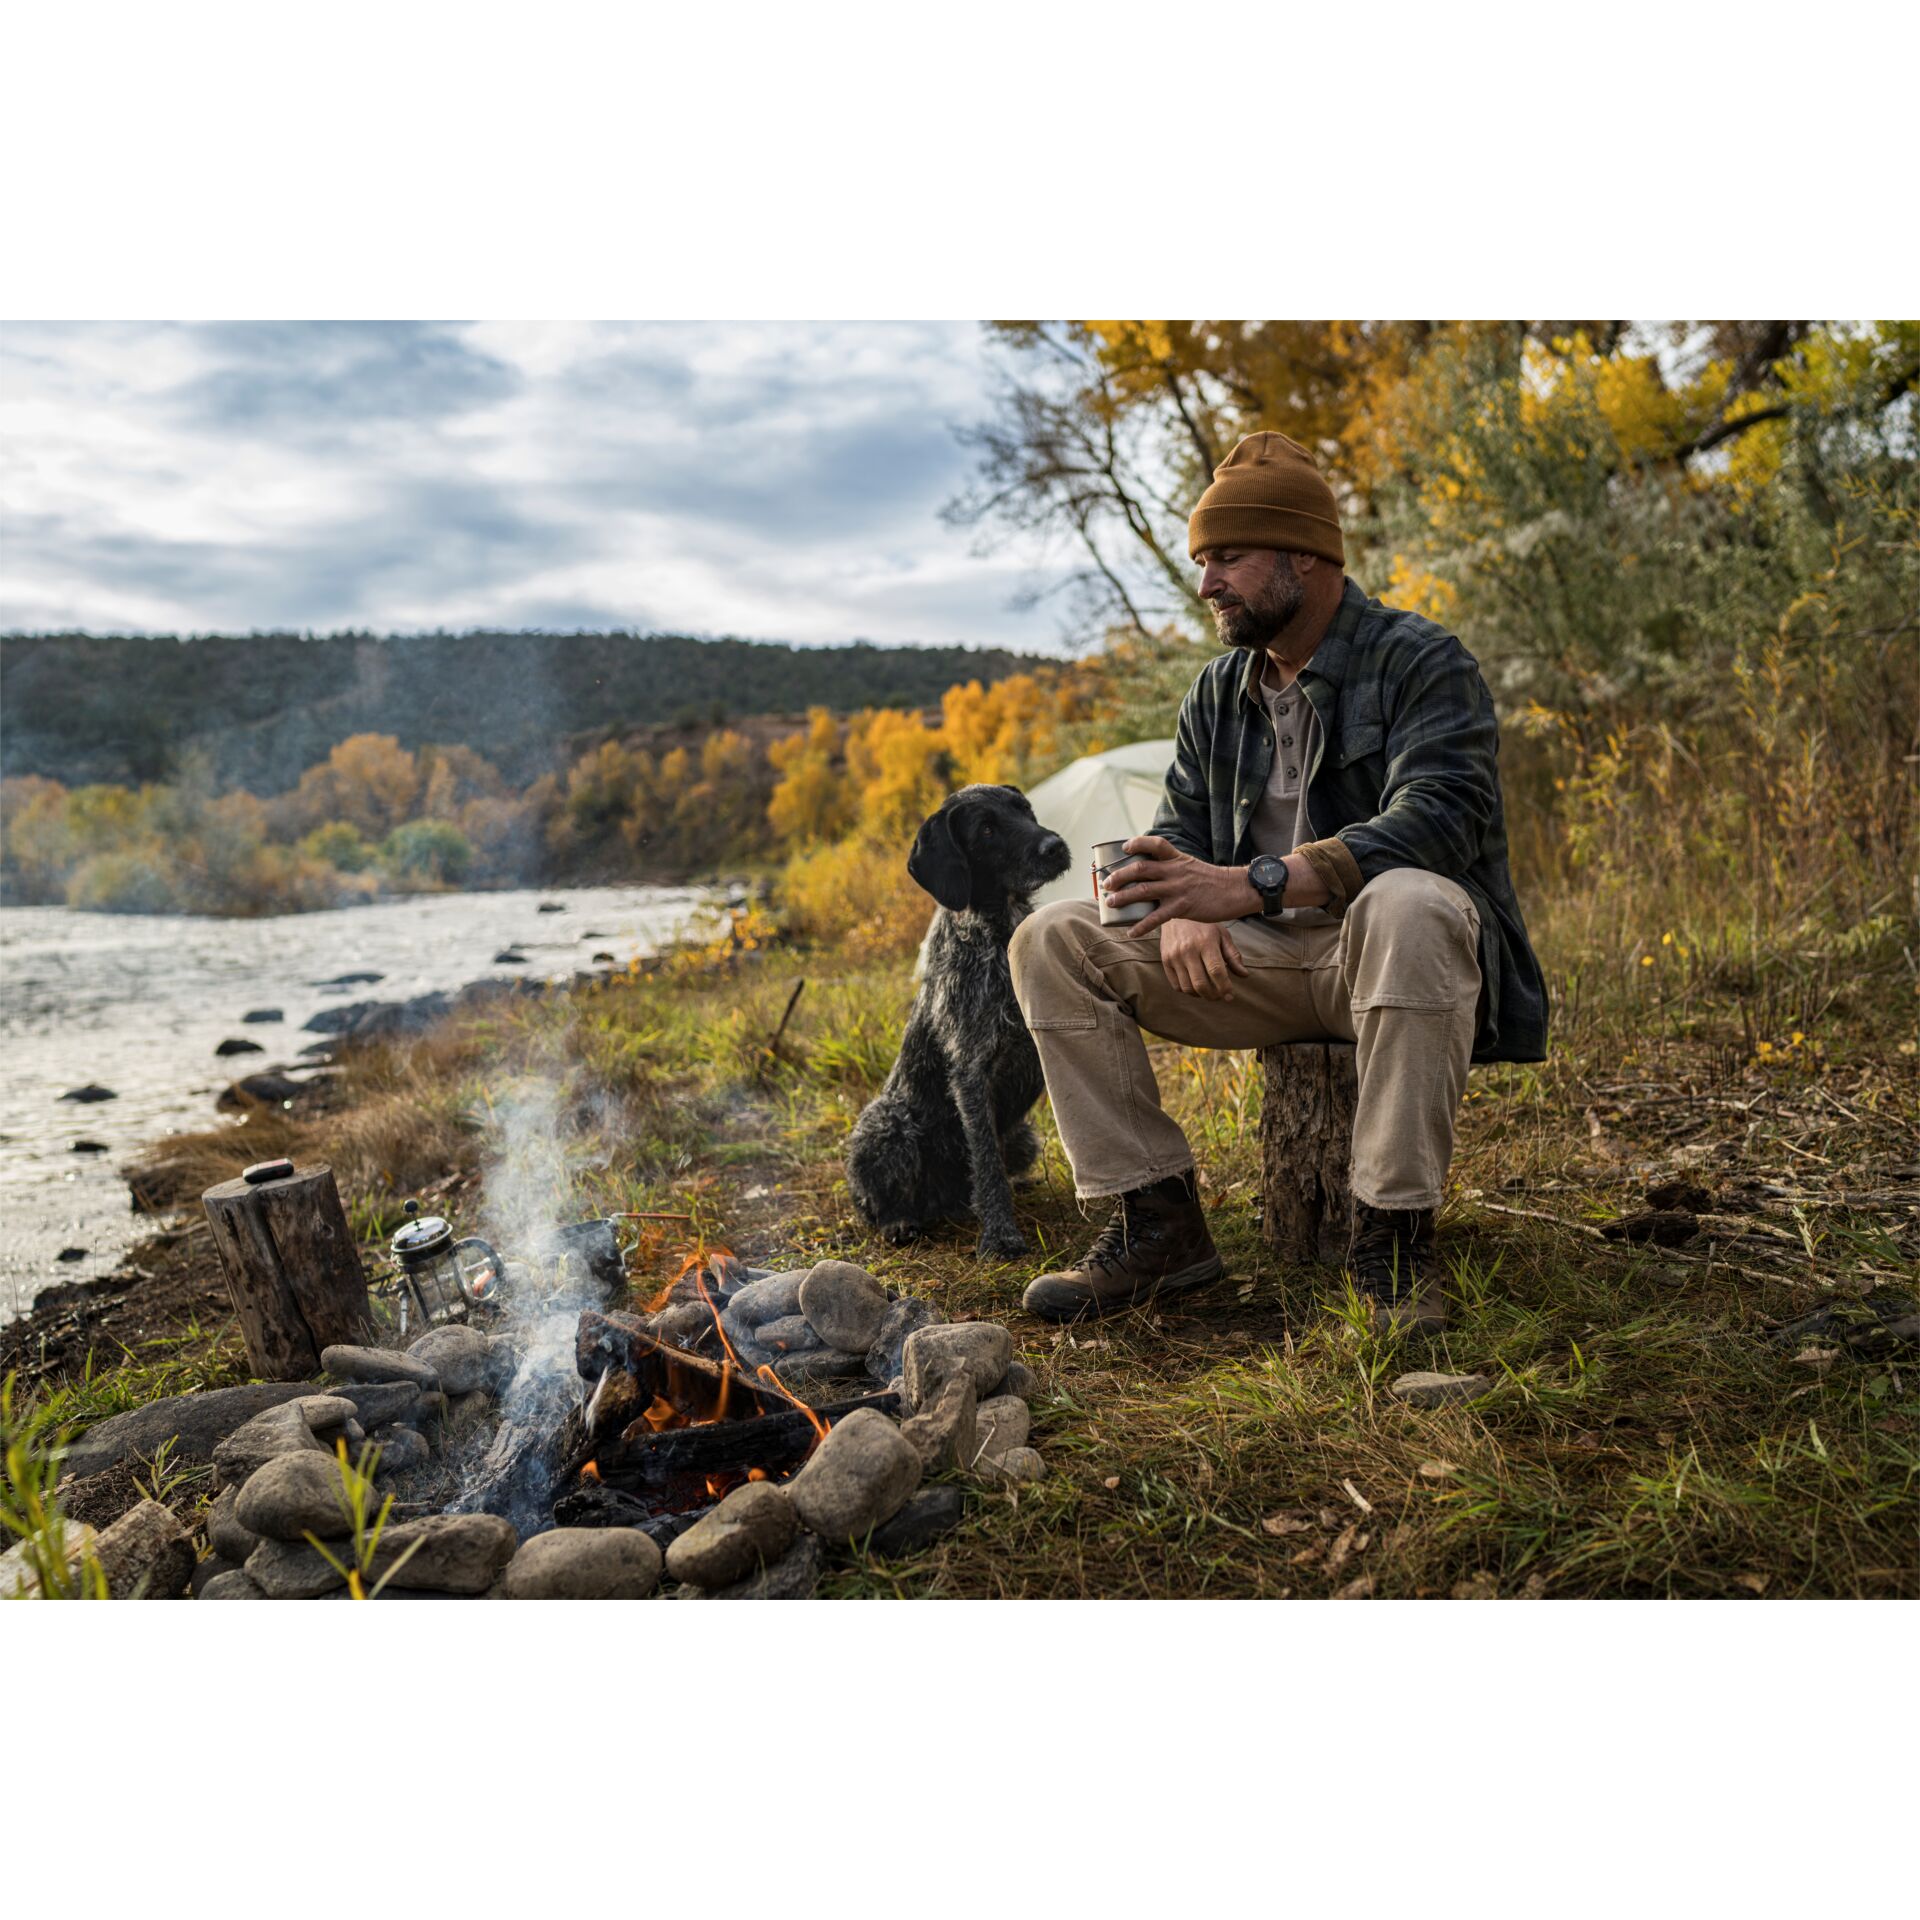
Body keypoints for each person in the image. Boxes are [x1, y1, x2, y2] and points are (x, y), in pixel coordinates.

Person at [1007, 430, 1548, 1332]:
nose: (1207, 582)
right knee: (1051, 940)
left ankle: (1392, 1240)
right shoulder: (1216, 694)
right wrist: (1175, 902)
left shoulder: (1421, 660)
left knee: (1407, 897)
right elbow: (1181, 826)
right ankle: (1159, 1225)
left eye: (1228, 558)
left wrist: (1254, 884)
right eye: (1202, 560)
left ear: (1307, 553)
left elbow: (1443, 817)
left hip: (1386, 963)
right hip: (1253, 970)